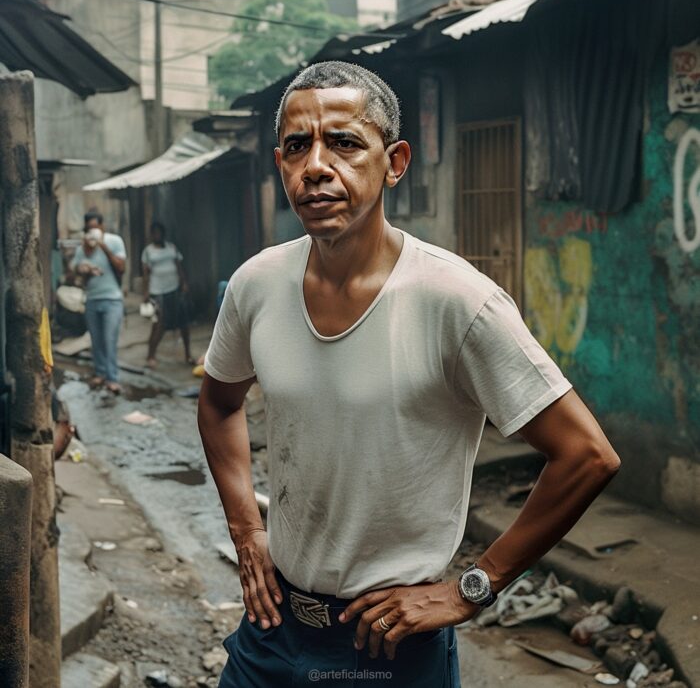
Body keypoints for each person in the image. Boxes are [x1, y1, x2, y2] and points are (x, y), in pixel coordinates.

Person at [197, 62, 621, 688]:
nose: (316, 165)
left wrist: (474, 588)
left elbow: (586, 455)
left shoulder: (455, 300)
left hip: (386, 650)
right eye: (296, 146)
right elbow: (219, 403)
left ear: (394, 162)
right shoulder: (257, 284)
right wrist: (246, 530)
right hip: (272, 630)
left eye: (343, 142)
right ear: (280, 163)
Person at [71, 211, 126, 394]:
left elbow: (121, 267)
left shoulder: (114, 241)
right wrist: (84, 270)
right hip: (92, 299)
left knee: (110, 339)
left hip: (112, 299)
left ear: (102, 226)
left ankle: (112, 378)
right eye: (88, 229)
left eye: (95, 228)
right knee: (96, 340)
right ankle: (100, 373)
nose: (91, 232)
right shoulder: (82, 248)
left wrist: (103, 246)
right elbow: (75, 273)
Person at [141, 222, 193, 368]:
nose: (157, 235)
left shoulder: (171, 248)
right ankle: (151, 355)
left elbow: (179, 266)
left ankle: (188, 355)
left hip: (174, 289)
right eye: (155, 233)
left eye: (159, 232)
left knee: (184, 323)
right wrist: (145, 292)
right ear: (152, 235)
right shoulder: (148, 251)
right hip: (157, 292)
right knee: (159, 324)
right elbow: (146, 273)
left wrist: (184, 283)